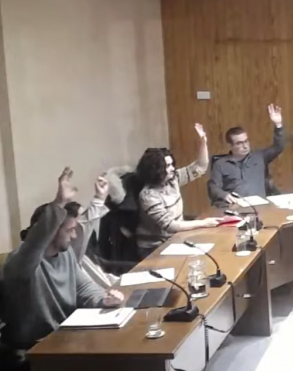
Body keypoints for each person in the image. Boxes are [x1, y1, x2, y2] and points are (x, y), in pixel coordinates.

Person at [1, 168, 124, 357]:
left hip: (66, 339)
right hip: (32, 350)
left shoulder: (65, 254)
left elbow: (83, 288)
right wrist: (58, 203)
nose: (74, 236)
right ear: (50, 231)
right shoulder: (22, 262)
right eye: (69, 230)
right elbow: (34, 243)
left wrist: (104, 299)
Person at [135, 123, 221, 259]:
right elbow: (170, 226)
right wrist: (204, 223)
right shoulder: (148, 195)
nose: (172, 169)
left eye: (171, 164)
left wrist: (203, 142)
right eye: (167, 166)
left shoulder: (172, 180)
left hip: (175, 238)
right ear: (155, 169)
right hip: (154, 247)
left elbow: (200, 167)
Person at [208, 103, 286, 207]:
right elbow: (213, 188)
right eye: (239, 143)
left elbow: (279, 147)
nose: (245, 146)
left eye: (246, 141)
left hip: (260, 207)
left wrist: (278, 125)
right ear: (230, 146)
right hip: (235, 207)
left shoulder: (260, 157)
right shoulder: (220, 164)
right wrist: (224, 195)